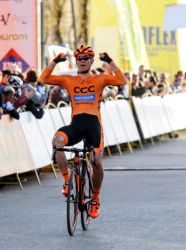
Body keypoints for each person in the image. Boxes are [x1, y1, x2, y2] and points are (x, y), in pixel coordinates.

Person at [40, 45, 126, 218]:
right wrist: (55, 61)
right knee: (57, 141)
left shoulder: (100, 79)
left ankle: (95, 198)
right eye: (79, 58)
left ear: (92, 60)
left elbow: (122, 81)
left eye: (86, 58)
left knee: (97, 163)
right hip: (76, 126)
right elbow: (44, 79)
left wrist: (110, 61)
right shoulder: (68, 80)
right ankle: (66, 181)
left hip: (94, 126)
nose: (82, 61)